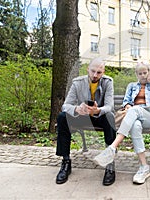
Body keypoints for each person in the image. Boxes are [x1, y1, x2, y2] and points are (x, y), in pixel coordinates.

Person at [93, 62, 150, 184]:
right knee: (135, 125)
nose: (143, 75)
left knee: (135, 109)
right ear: (136, 74)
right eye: (140, 73)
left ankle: (112, 147)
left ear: (149, 72)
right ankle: (144, 167)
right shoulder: (131, 86)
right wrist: (128, 106)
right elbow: (126, 101)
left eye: (145, 73)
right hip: (134, 118)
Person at [55, 58, 116, 186]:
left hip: (98, 116)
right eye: (93, 71)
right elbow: (66, 106)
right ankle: (66, 161)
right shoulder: (77, 82)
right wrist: (77, 109)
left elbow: (109, 106)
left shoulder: (108, 82)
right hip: (82, 116)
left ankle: (110, 164)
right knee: (62, 117)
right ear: (88, 69)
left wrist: (97, 110)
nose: (95, 75)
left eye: (99, 72)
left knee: (110, 116)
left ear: (103, 72)